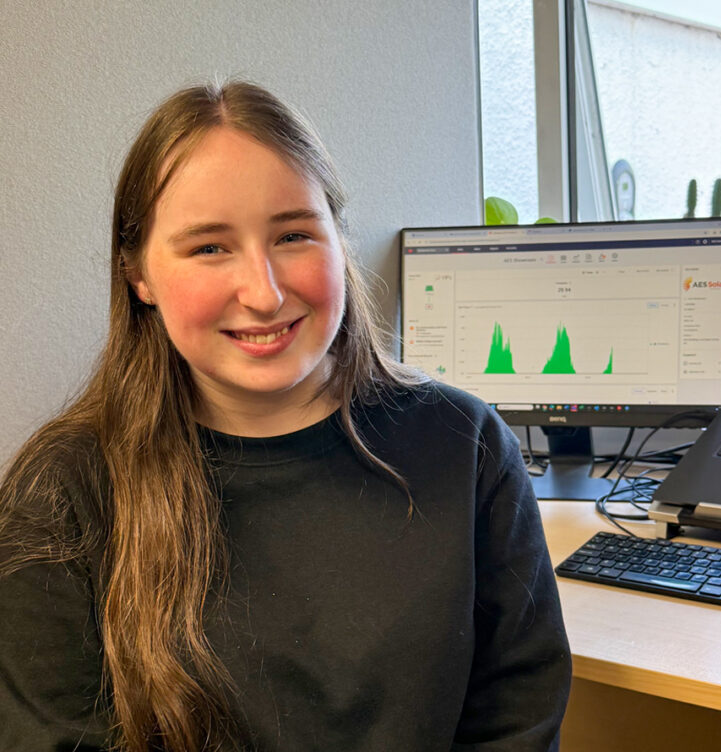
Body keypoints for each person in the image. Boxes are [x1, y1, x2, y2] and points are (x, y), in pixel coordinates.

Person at [0, 80, 571, 752]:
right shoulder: (60, 492)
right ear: (138, 275)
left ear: (339, 239)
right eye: (209, 247)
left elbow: (517, 717)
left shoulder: (465, 448)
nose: (264, 294)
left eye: (294, 234)